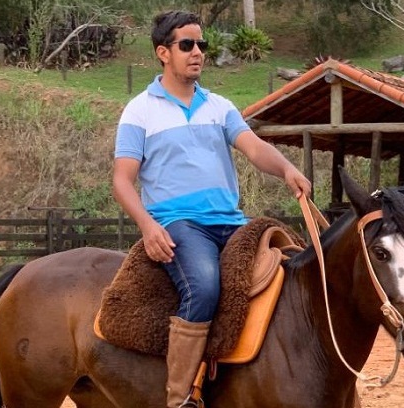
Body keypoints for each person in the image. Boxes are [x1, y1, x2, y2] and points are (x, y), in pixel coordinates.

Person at [112, 10, 312, 408]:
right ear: (163, 53)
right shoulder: (140, 110)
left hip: (231, 222)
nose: (197, 51)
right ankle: (180, 396)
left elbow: (254, 148)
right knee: (203, 287)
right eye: (187, 44)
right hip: (181, 224)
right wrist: (149, 227)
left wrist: (287, 168)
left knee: (290, 271)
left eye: (201, 44)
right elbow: (121, 180)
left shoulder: (219, 106)